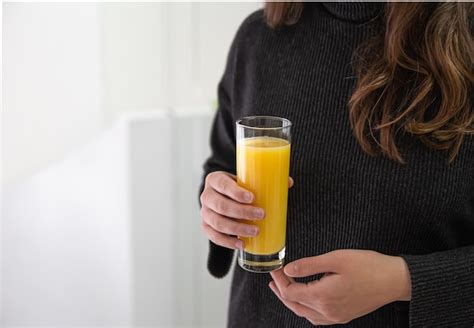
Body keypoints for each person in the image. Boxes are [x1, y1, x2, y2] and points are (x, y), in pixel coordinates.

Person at [199, 2, 474, 327]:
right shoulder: (258, 37)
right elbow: (222, 165)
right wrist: (218, 207)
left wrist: (403, 280)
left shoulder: (465, 42)